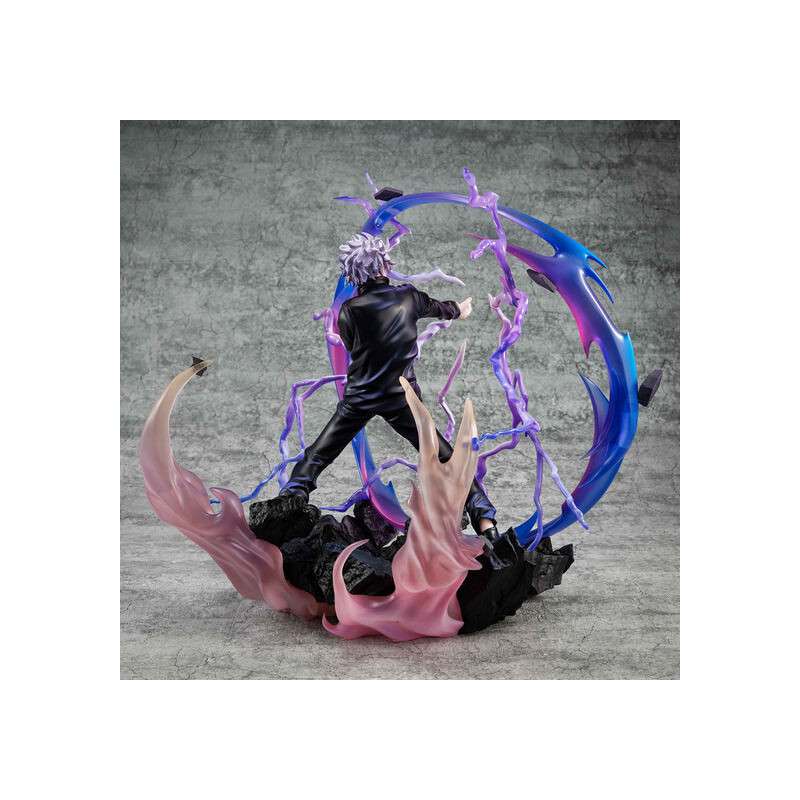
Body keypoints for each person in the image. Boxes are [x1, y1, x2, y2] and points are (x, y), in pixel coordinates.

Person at [280, 232, 503, 553]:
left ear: (354, 274)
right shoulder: (408, 297)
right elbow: (440, 307)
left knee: (320, 452)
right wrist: (459, 309)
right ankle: (486, 522)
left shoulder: (349, 310)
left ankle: (291, 497)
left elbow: (351, 346)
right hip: (402, 397)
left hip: (361, 395)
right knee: (447, 457)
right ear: (384, 264)